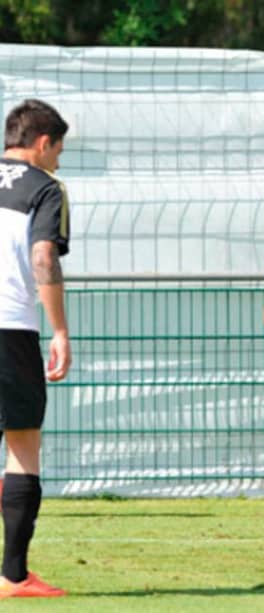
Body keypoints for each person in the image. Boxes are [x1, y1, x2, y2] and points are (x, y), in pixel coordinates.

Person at [0, 99, 71, 598]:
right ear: (43, 143)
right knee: (23, 446)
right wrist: (60, 329)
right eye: (59, 150)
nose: (59, 161)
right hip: (11, 328)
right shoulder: (45, 188)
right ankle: (14, 576)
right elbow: (44, 255)